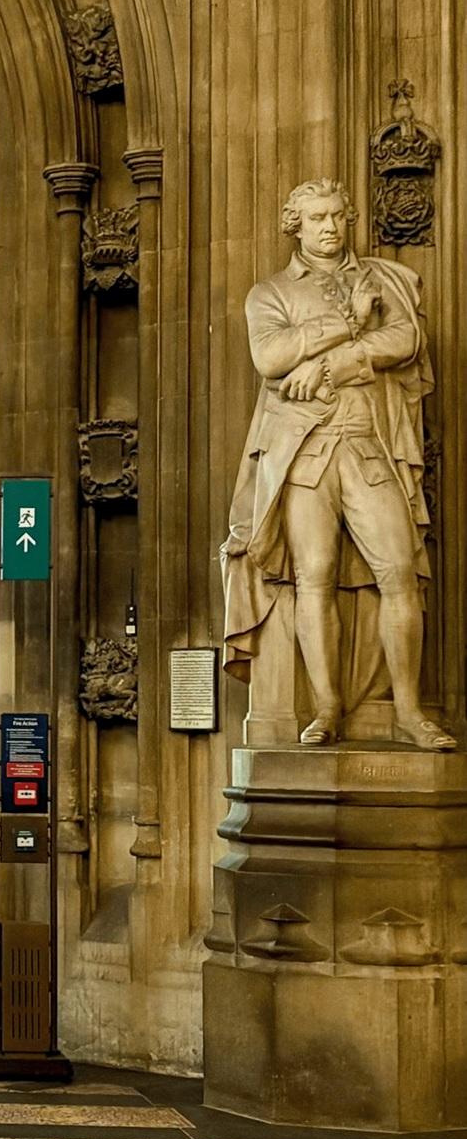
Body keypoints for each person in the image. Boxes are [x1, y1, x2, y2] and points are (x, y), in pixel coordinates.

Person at [221, 177, 453, 750]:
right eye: (316, 218)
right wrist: (348, 324)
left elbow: (406, 339)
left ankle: (407, 710)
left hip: (368, 444)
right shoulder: (269, 292)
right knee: (313, 577)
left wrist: (334, 364)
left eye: (336, 216)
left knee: (400, 569)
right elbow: (270, 357)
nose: (329, 227)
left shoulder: (379, 279)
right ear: (294, 224)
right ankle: (325, 707)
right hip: (303, 456)